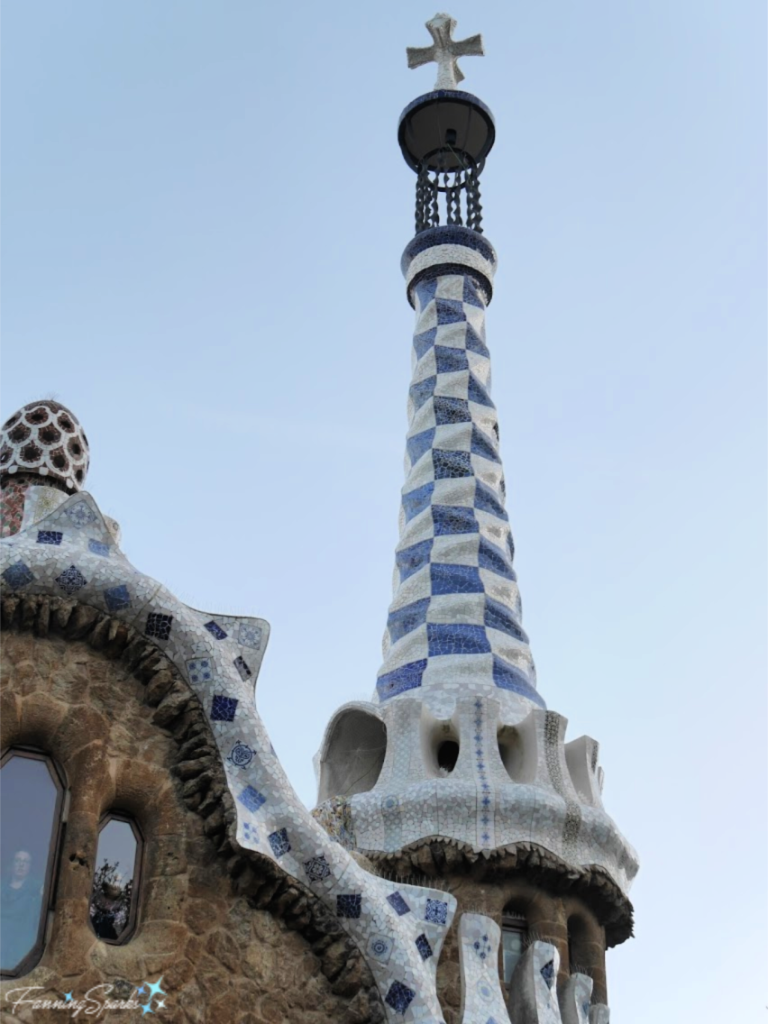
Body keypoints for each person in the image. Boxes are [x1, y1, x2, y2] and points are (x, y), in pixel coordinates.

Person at [0, 850, 44, 972]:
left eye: (25, 861)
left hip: (19, 950)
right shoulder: (1, 887)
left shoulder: (37, 891)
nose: (21, 865)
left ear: (30, 866)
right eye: (18, 860)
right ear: (12, 864)